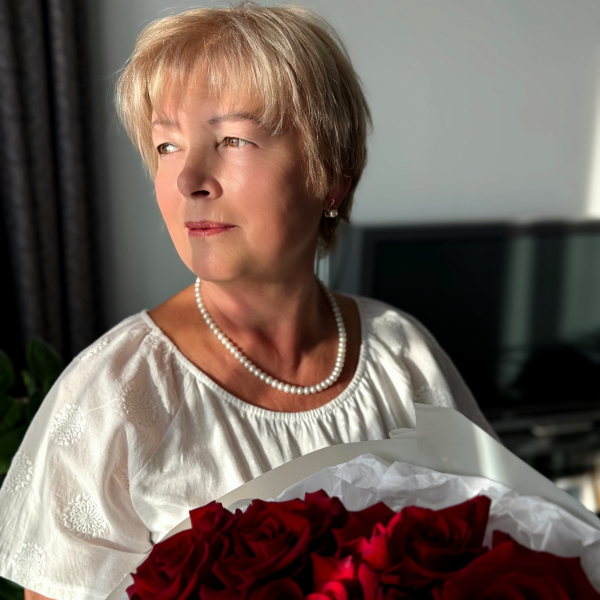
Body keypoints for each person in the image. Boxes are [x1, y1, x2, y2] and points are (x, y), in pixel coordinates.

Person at [0, 3, 497, 599]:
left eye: (232, 139)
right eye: (166, 145)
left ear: (330, 177)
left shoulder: (403, 352)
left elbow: (500, 539)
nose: (189, 179)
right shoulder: (115, 392)